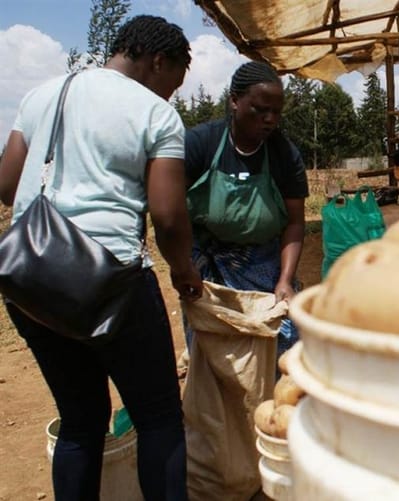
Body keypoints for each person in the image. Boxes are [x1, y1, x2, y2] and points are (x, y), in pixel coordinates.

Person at [0, 15, 201, 501]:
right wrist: (185, 272)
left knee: (80, 420)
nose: (170, 96)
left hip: (31, 281)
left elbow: (7, 187)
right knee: (158, 420)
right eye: (172, 84)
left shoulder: (44, 94)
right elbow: (169, 217)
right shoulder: (155, 115)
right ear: (158, 62)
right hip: (111, 285)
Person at [184, 60, 309, 358]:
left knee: (283, 343)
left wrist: (284, 280)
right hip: (205, 263)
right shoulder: (201, 143)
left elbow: (294, 223)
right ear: (235, 100)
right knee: (214, 350)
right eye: (260, 109)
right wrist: (183, 267)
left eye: (276, 112)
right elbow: (172, 212)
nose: (269, 119)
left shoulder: (283, 154)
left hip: (262, 262)